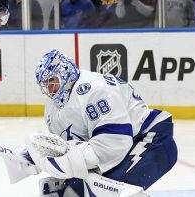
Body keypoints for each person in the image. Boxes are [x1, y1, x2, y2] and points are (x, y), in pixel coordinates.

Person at [26, 49, 177, 196]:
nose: (49, 89)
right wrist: (38, 155)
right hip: (126, 145)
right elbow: (67, 146)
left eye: (52, 81)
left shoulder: (94, 90)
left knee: (103, 189)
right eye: (45, 84)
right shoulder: (53, 106)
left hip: (152, 140)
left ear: (66, 74)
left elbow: (113, 143)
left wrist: (69, 161)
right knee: (71, 187)